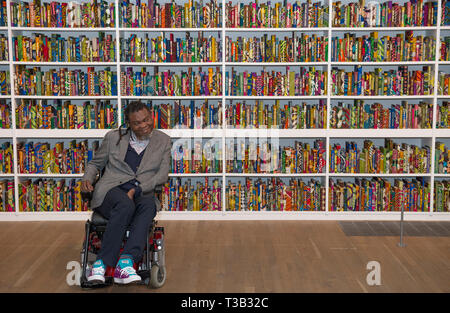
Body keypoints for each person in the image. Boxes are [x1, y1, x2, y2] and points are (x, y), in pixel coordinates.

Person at [81, 101, 171, 285]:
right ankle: (101, 264)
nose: (144, 125)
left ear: (151, 115)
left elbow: (162, 175)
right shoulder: (114, 138)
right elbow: (95, 164)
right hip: (110, 190)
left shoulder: (163, 140)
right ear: (129, 124)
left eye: (146, 119)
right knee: (124, 204)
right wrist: (87, 179)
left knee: (148, 205)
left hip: (141, 191)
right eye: (137, 123)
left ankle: (126, 262)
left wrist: (137, 189)